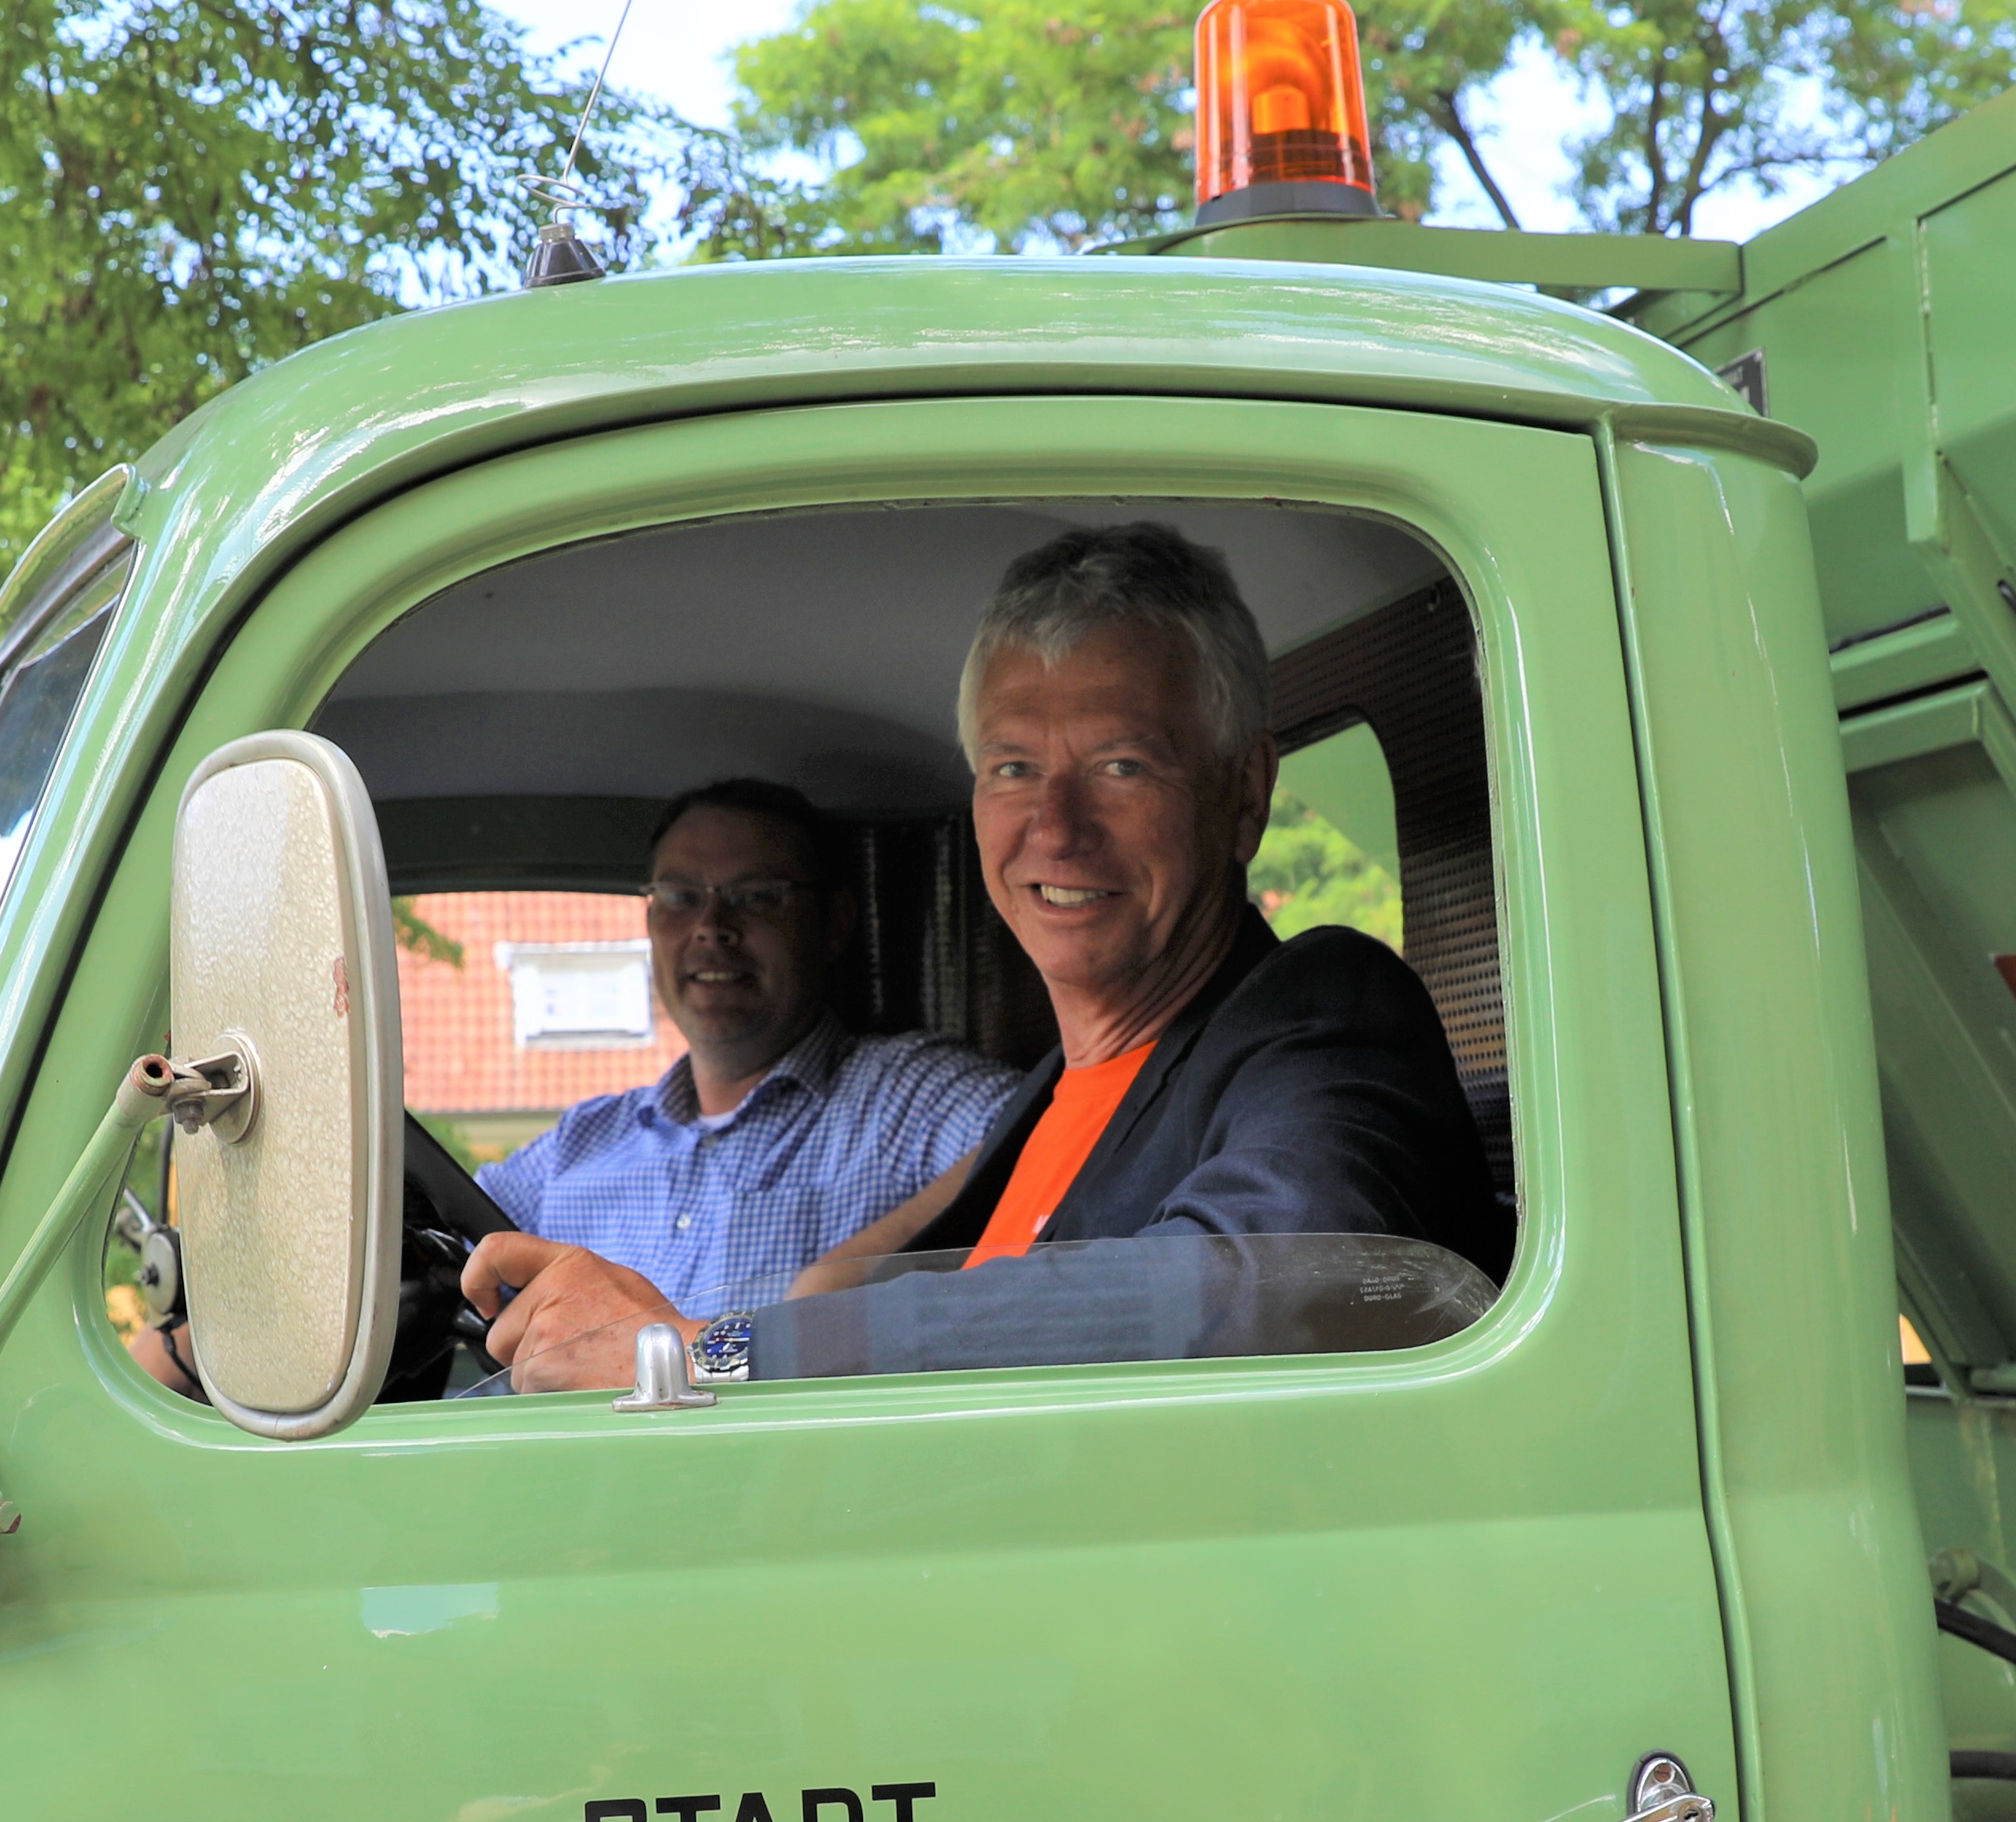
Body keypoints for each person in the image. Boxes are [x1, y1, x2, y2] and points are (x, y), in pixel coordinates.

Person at [466, 524, 1498, 1392]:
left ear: (1245, 795)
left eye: (1121, 764)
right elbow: (848, 1298)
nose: (1056, 827)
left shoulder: (1324, 1012)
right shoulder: (1051, 1096)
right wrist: (798, 1308)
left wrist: (707, 1353)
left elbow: (1270, 1284)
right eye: (1013, 767)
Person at [470, 779, 1014, 1317]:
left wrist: (838, 1278)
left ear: (834, 924)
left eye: (756, 897)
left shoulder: (908, 1099)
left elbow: (1050, 1139)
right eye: (680, 897)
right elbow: (444, 1232)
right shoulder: (580, 1142)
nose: (711, 927)